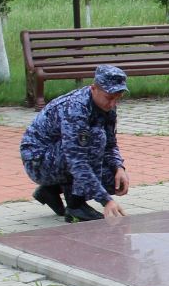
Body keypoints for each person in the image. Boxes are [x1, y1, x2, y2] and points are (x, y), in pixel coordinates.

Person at [20, 65, 131, 222]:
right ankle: (76, 206)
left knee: (112, 180)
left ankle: (50, 190)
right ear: (94, 89)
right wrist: (106, 200)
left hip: (60, 157)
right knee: (95, 138)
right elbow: (77, 161)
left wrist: (119, 167)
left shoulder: (108, 109)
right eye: (109, 98)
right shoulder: (76, 109)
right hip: (38, 161)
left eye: (117, 98)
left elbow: (111, 145)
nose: (112, 104)